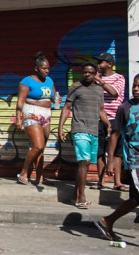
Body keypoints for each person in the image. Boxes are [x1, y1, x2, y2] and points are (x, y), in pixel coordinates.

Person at [96, 74, 139, 254]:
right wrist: (111, 161)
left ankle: (108, 220)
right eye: (134, 86)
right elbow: (115, 135)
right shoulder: (125, 108)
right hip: (135, 160)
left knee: (136, 199)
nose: (136, 89)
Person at [57, 63, 110, 209]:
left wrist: (108, 124)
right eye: (85, 72)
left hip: (94, 130)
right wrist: (60, 127)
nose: (87, 74)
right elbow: (66, 107)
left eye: (90, 72)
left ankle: (75, 196)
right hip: (79, 128)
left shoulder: (99, 90)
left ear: (95, 74)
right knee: (84, 161)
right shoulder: (75, 87)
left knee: (85, 164)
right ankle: (81, 197)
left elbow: (101, 110)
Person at [15, 52, 58, 185]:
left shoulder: (49, 80)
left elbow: (53, 97)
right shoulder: (26, 81)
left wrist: (57, 99)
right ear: (36, 68)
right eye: (44, 68)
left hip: (46, 114)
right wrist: (18, 118)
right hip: (32, 114)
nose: (47, 71)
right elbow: (20, 101)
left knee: (41, 148)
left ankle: (39, 175)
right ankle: (23, 173)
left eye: (48, 68)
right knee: (38, 146)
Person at [93, 52, 125, 190]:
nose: (98, 65)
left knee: (117, 152)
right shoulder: (96, 79)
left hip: (115, 119)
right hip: (99, 119)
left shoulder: (119, 78)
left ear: (110, 64)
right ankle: (101, 181)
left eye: (101, 62)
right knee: (100, 151)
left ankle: (117, 182)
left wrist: (100, 81)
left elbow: (114, 92)